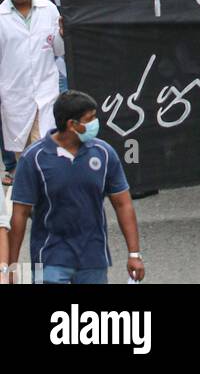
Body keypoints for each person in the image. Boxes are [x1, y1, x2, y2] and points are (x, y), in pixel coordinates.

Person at [10, 89, 144, 284]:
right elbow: (20, 213)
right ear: (72, 124)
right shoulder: (33, 159)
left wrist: (134, 254)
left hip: (93, 257)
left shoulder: (104, 154)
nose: (95, 123)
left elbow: (123, 204)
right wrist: (12, 267)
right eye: (90, 119)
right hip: (46, 259)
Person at [0, 0, 63, 158]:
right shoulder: (1, 17)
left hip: (46, 93)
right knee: (26, 159)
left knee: (45, 154)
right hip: (15, 96)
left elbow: (59, 50)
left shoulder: (49, 10)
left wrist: (62, 33)